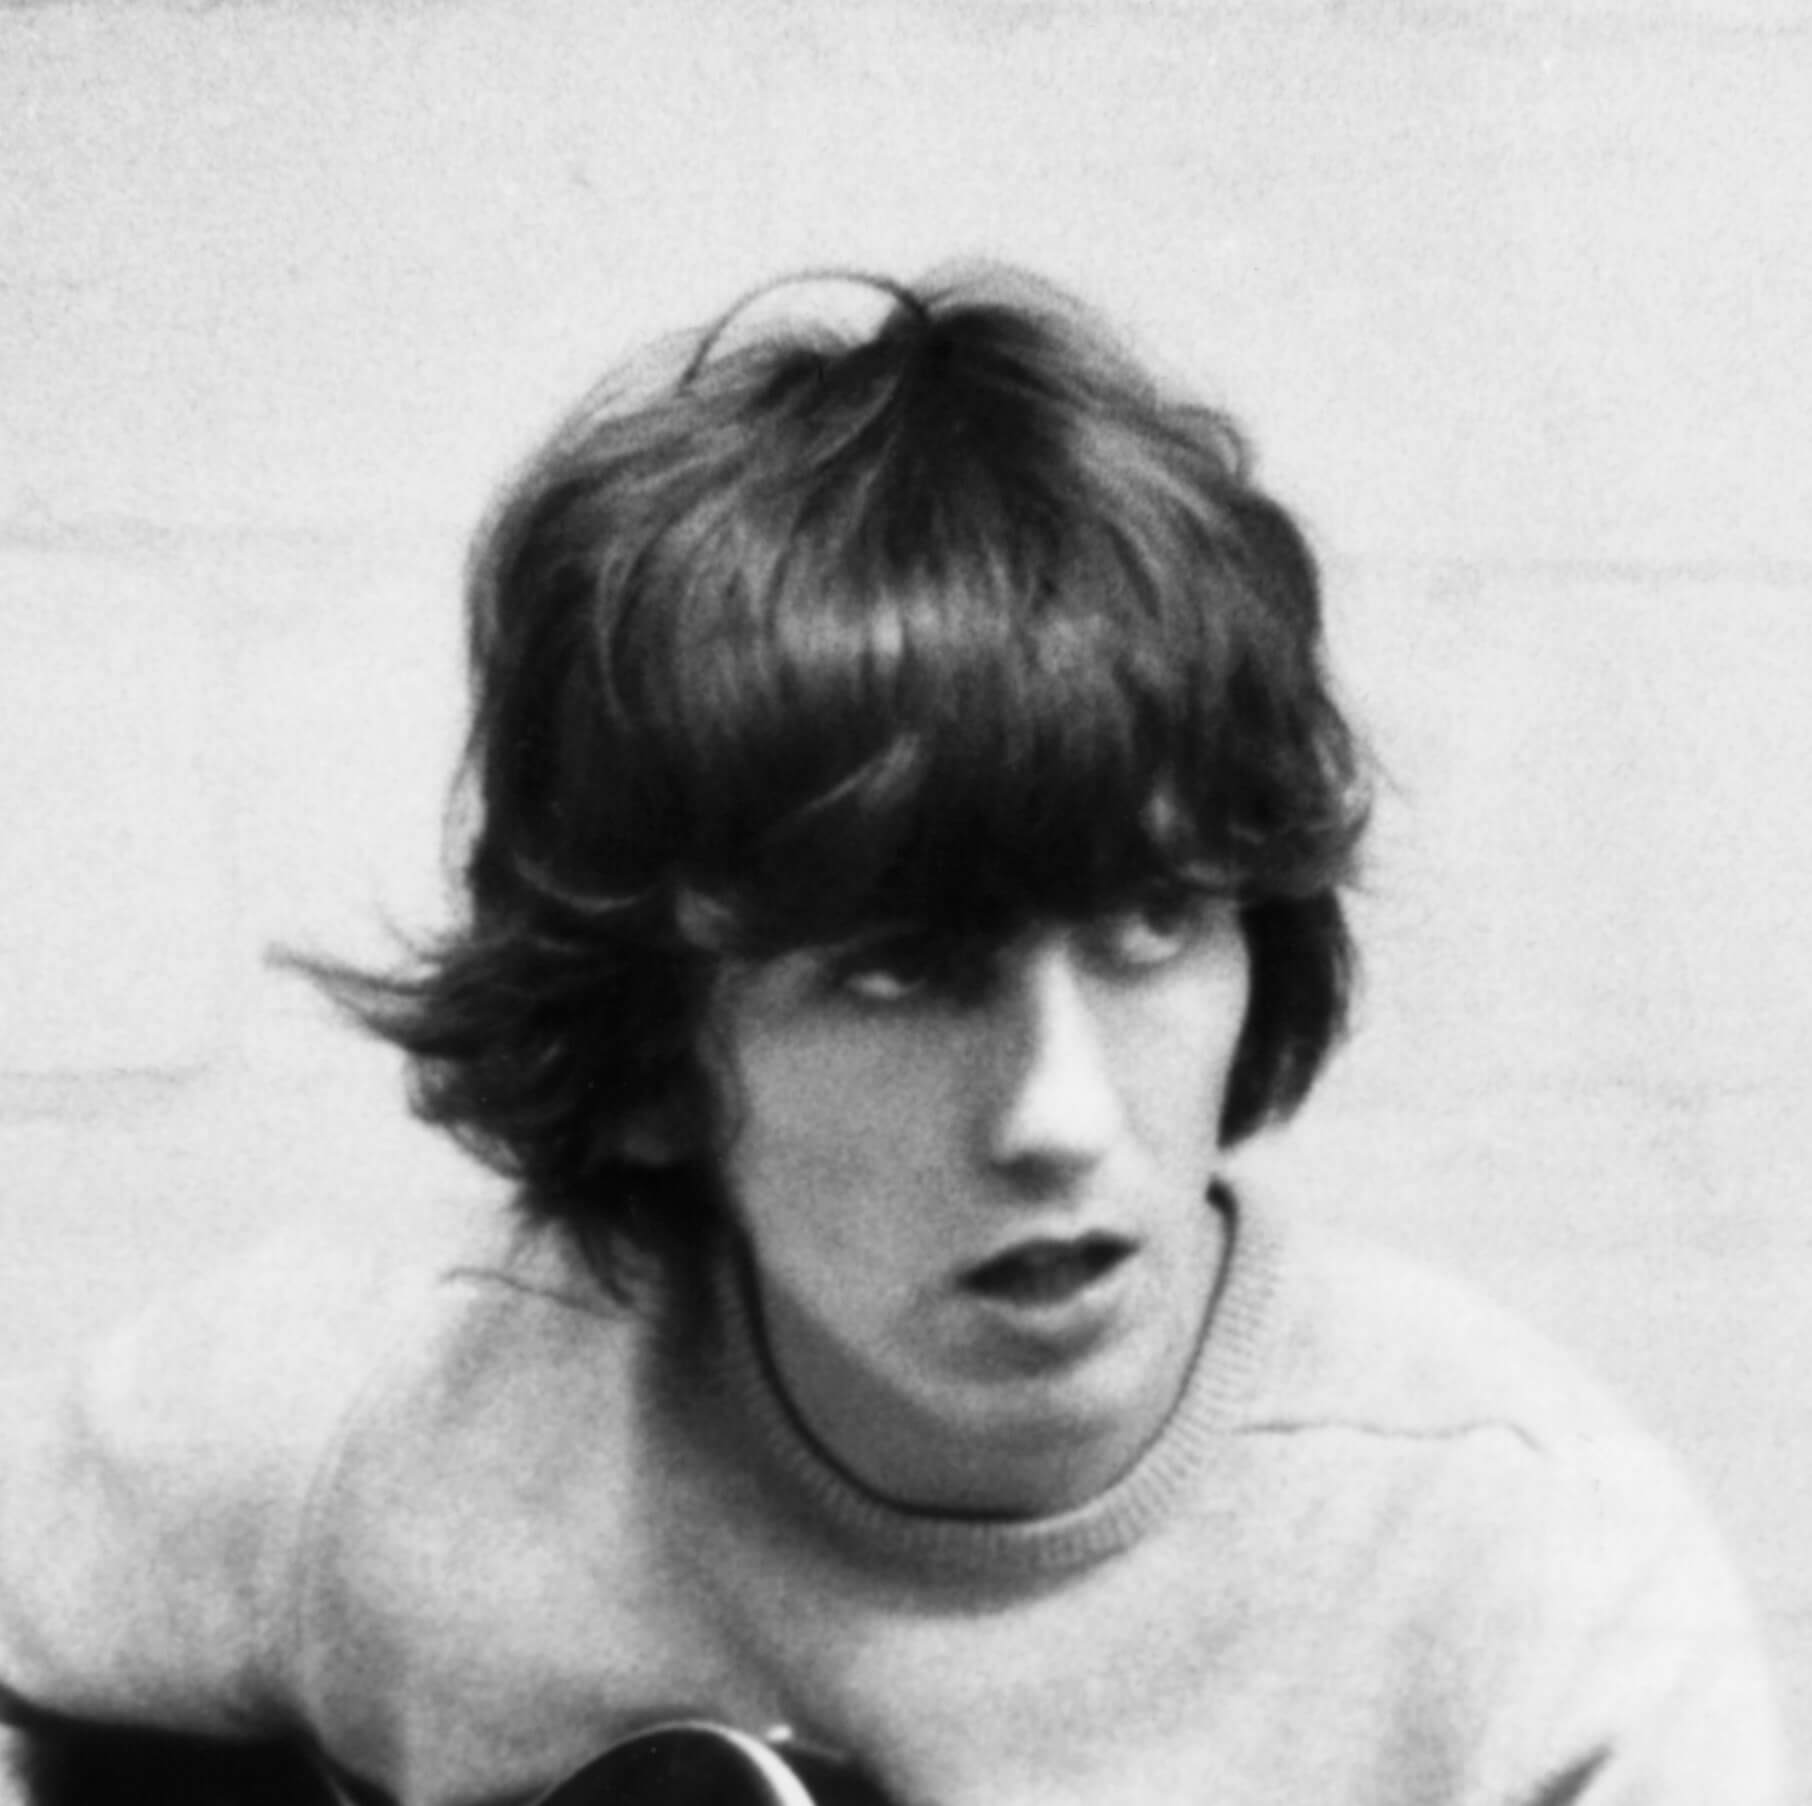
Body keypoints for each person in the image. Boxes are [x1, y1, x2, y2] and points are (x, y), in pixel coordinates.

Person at [0, 266, 1786, 1806]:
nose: (1061, 1112)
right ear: (656, 1058)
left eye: (1153, 924)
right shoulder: (391, 1414)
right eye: (904, 972)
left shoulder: (1534, 1591)